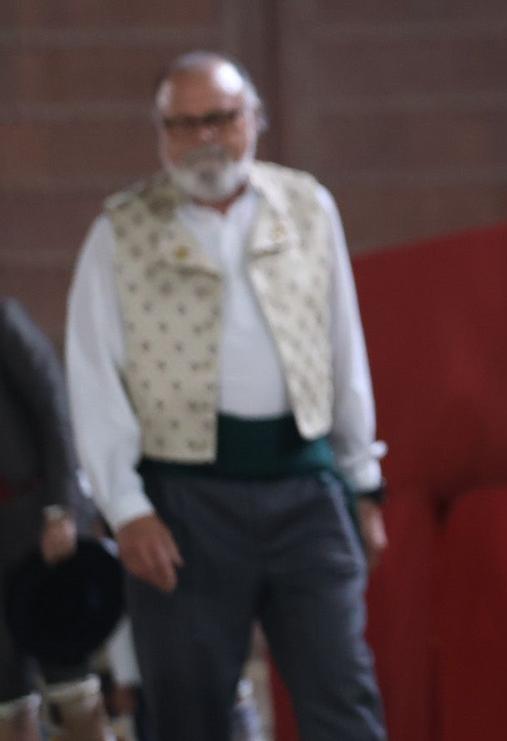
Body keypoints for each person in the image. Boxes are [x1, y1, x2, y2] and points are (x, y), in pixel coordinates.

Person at [63, 54, 387, 741]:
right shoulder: (120, 230)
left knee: (344, 696)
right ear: (161, 134)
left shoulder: (307, 205)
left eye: (220, 118)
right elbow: (93, 378)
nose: (203, 138)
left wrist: (363, 480)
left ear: (254, 120)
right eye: (182, 124)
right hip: (181, 504)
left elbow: (342, 344)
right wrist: (125, 508)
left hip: (305, 488)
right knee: (188, 713)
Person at [0, 297, 111, 741]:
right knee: (8, 693)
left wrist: (61, 508)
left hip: (39, 525)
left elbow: (54, 407)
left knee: (71, 682)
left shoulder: (4, 317)